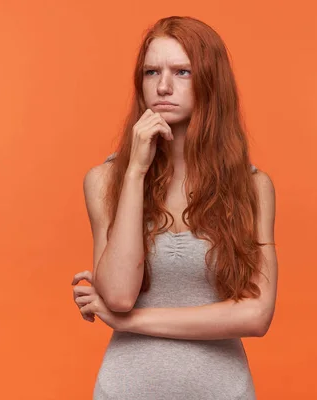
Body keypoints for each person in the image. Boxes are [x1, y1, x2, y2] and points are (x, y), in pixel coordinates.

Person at [71, 16, 277, 399]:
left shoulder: (252, 187)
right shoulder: (104, 181)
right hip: (124, 389)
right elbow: (117, 295)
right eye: (152, 72)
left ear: (210, 82)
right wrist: (135, 172)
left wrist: (130, 322)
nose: (163, 86)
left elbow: (255, 315)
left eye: (182, 71)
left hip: (223, 391)